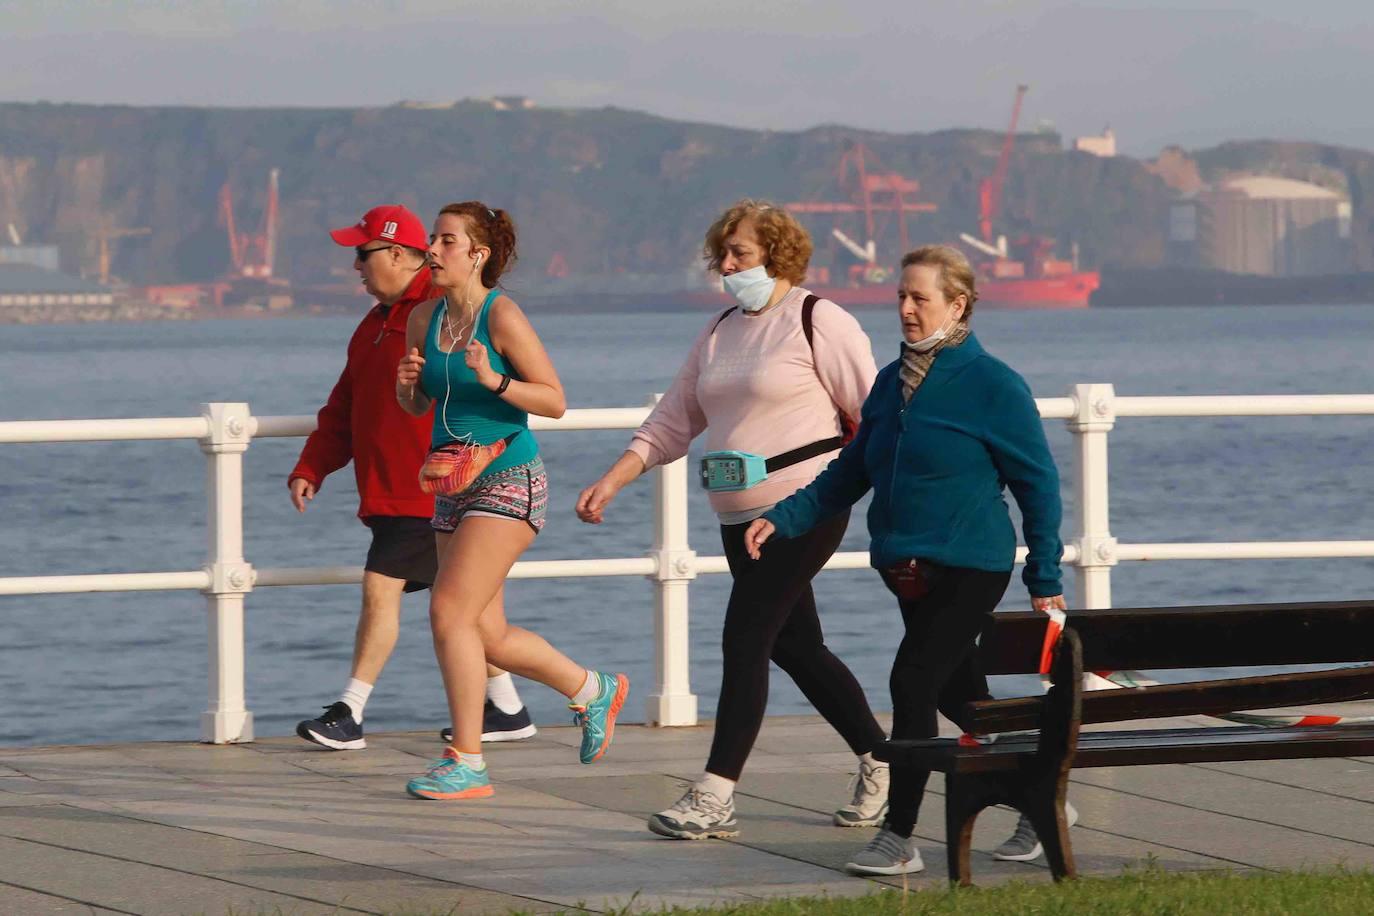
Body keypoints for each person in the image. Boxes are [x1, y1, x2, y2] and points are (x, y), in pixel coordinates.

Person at [745, 244, 1069, 876]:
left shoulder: (993, 384)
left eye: (921, 297)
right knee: (961, 696)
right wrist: (782, 518)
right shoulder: (890, 384)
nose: (906, 309)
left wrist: (1044, 574)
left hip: (971, 562)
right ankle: (1039, 793)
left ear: (958, 303)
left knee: (911, 681)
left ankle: (899, 836)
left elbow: (1039, 484)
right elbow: (850, 473)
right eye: (901, 296)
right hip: (905, 568)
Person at [577, 200, 889, 839]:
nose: (725, 265)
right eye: (721, 254)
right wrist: (613, 479)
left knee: (745, 638)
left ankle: (714, 795)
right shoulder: (720, 330)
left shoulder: (818, 320)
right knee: (794, 646)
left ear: (777, 256)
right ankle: (883, 759)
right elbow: (673, 420)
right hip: (734, 514)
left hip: (803, 505)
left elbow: (876, 416)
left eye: (739, 254)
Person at [396, 201, 628, 800]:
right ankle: (591, 688)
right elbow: (423, 408)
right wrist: (407, 392)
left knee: (448, 612)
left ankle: (467, 759)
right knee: (486, 633)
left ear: (479, 254)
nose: (433, 249)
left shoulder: (502, 317)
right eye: (432, 238)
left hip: (508, 475)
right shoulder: (423, 319)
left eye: (447, 240)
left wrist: (495, 379)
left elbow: (553, 400)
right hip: (452, 480)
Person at [291, 204, 536, 752]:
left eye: (362, 253)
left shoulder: (443, 309)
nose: (355, 266)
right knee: (477, 617)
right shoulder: (376, 325)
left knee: (386, 590)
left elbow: (536, 393)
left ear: (395, 254)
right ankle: (514, 706)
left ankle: (349, 711)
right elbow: (345, 407)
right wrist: (313, 465)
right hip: (394, 492)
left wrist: (492, 386)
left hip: (428, 489)